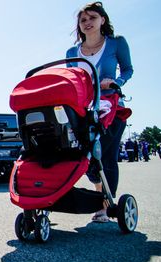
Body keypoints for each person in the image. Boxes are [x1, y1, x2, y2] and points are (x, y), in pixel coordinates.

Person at [66, 1, 133, 223]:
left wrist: (115, 81)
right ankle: (99, 193)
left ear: (102, 20)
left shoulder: (116, 44)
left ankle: (106, 205)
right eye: (83, 20)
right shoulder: (72, 52)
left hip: (111, 106)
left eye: (92, 18)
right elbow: (70, 81)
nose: (87, 22)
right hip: (84, 110)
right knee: (84, 157)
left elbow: (127, 69)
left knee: (106, 155)